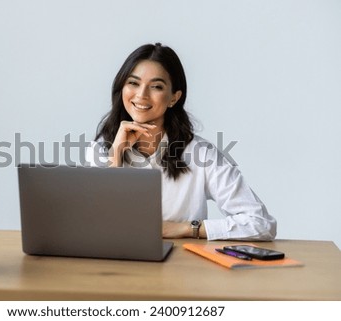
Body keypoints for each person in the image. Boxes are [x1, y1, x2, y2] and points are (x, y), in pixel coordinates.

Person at [86, 43, 276, 240]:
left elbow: (262, 224)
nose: (141, 95)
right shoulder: (101, 150)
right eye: (133, 83)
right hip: (118, 265)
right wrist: (115, 156)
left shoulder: (201, 153)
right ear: (121, 87)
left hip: (180, 265)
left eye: (156, 86)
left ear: (173, 98)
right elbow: (95, 225)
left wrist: (186, 228)